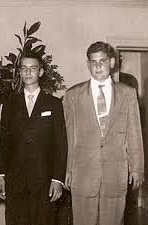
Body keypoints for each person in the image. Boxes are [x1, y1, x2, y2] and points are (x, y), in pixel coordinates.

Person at [64, 41, 144, 225]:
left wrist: (137, 168)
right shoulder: (72, 96)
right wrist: (67, 169)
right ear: (88, 65)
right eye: (93, 62)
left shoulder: (128, 94)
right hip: (82, 174)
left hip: (115, 173)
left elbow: (134, 133)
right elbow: (69, 136)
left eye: (102, 61)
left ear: (112, 62)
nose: (98, 66)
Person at [0, 52, 67, 225]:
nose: (28, 72)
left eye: (33, 68)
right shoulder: (10, 103)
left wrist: (57, 179)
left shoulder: (54, 104)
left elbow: (61, 144)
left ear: (41, 72)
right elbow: (3, 143)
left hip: (44, 180)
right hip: (15, 180)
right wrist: (0, 175)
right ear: (19, 72)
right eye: (24, 68)